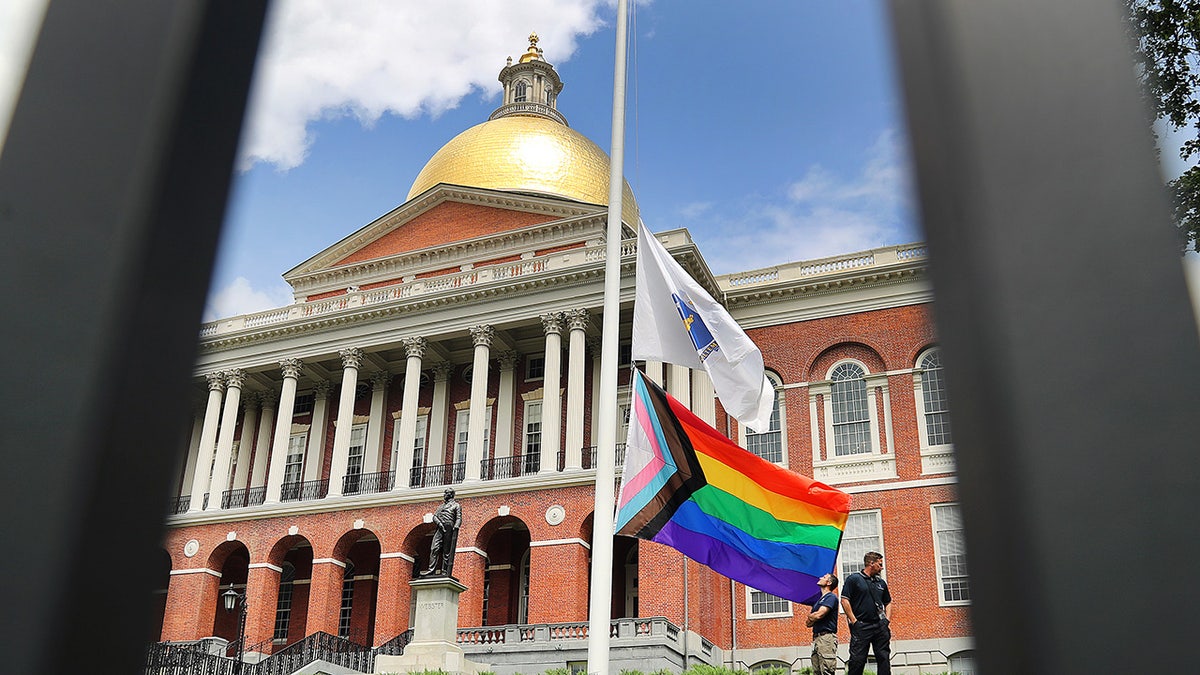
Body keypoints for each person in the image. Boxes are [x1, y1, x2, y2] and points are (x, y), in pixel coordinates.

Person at [840, 551, 892, 675]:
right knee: (857, 660)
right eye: (880, 564)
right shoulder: (854, 579)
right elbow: (844, 600)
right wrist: (854, 621)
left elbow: (888, 602)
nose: (882, 567)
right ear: (871, 563)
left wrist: (886, 620)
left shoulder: (881, 583)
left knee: (884, 658)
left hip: (880, 626)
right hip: (862, 626)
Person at [805, 572, 839, 675]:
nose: (820, 577)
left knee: (827, 670)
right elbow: (808, 624)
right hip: (816, 639)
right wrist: (812, 616)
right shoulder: (818, 601)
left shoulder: (831, 597)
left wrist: (812, 616)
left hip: (826, 639)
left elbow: (819, 615)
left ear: (828, 582)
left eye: (824, 577)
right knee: (817, 671)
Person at [423, 488, 462, 577]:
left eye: (446, 493)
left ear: (451, 494)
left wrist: (456, 526)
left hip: (449, 527)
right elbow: (435, 516)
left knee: (446, 550)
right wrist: (439, 523)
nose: (444, 495)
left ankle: (445, 571)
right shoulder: (441, 506)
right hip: (440, 527)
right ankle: (431, 570)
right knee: (434, 548)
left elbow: (459, 517)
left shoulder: (456, 505)